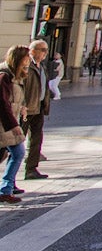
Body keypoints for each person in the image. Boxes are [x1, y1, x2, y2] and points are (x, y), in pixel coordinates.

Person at [0, 45, 31, 203]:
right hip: (5, 125)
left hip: (7, 124)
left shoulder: (15, 75)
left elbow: (13, 100)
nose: (28, 60)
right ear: (18, 58)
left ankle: (7, 187)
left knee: (13, 153)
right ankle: (5, 189)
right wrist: (15, 127)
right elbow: (3, 104)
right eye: (26, 57)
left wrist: (22, 108)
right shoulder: (4, 76)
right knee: (18, 152)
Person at [21, 39, 52, 180]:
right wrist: (22, 105)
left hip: (38, 108)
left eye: (46, 50)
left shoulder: (42, 67)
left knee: (36, 139)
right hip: (26, 109)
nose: (45, 53)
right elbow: (20, 88)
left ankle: (31, 169)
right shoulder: (26, 66)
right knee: (15, 142)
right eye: (42, 50)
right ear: (33, 51)